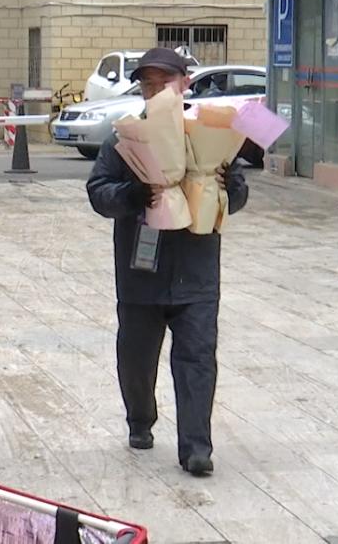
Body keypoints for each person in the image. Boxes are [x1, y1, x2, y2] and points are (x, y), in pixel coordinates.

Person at [86, 47, 249, 477]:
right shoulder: (125, 138)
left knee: (197, 357)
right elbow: (98, 192)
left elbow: (240, 196)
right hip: (142, 271)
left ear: (185, 84)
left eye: (164, 83)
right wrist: (131, 195)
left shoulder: (209, 133)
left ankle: (197, 447)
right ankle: (140, 420)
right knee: (136, 358)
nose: (155, 91)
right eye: (148, 84)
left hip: (196, 274)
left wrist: (230, 183)